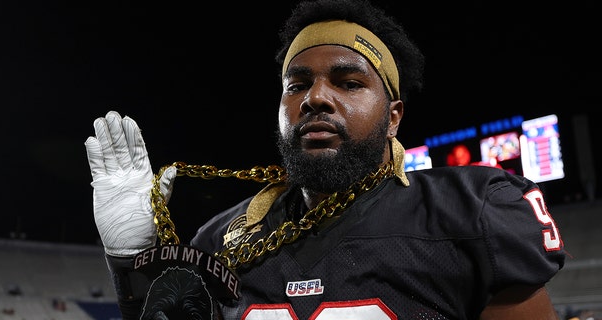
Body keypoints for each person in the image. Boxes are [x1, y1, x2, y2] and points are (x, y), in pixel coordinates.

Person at [84, 0, 567, 319]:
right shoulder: (219, 237)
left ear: (394, 115)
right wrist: (133, 260)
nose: (315, 97)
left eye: (348, 82)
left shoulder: (471, 211)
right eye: (296, 84)